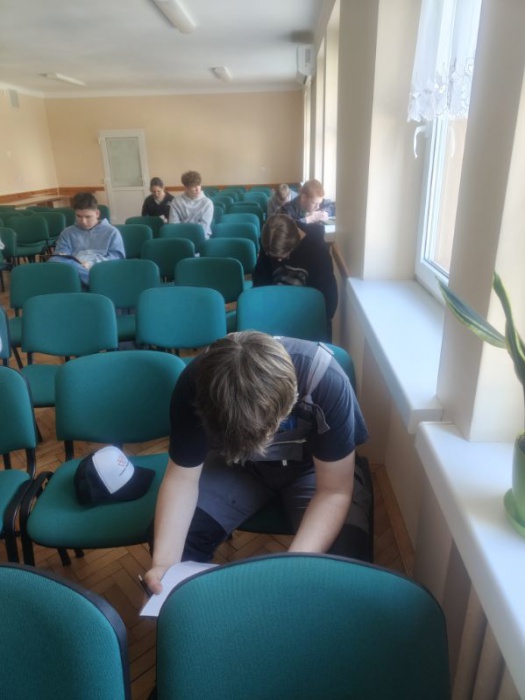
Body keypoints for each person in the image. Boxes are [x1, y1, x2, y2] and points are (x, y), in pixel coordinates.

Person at [144, 331, 369, 595]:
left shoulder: (326, 380)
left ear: (289, 403)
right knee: (173, 547)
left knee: (343, 564)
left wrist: (294, 564)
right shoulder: (197, 384)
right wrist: (165, 564)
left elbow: (334, 491)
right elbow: (182, 479)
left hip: (314, 469)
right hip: (237, 465)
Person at [252, 213, 338, 334]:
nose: (279, 261)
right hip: (275, 311)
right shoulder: (270, 241)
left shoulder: (318, 251)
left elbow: (329, 300)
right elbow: (260, 282)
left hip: (307, 315)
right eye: (273, 257)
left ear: (294, 244)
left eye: (283, 256)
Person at [48, 192, 125, 287]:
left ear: (97, 213)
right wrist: (76, 262)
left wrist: (91, 263)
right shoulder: (67, 232)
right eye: (79, 216)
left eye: (88, 217)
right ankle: (95, 282)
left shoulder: (112, 232)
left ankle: (92, 280)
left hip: (100, 268)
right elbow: (62, 257)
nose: (83, 221)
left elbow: (117, 257)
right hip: (76, 268)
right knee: (54, 260)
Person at [168, 170, 214, 238]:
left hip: (201, 237)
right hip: (181, 237)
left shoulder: (207, 203)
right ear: (186, 188)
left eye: (199, 185)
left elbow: (204, 228)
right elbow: (174, 225)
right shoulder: (176, 202)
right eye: (194, 186)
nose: (197, 189)